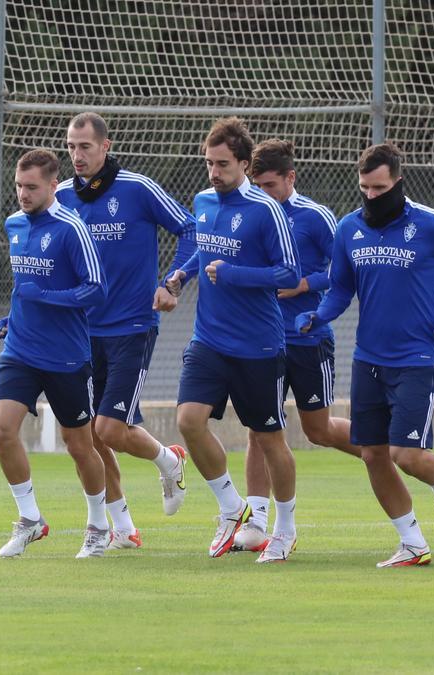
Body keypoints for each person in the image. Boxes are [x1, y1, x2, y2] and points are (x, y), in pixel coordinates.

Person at [296, 143, 434, 567]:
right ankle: (413, 543)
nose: (372, 196)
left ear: (398, 182)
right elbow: (341, 287)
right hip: (368, 359)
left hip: (418, 357)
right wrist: (318, 315)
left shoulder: (433, 225)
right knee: (372, 453)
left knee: (407, 454)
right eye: (365, 188)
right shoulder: (348, 228)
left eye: (380, 188)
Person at [164, 117, 301, 563]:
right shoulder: (203, 200)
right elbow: (208, 244)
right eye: (209, 163)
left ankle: (284, 529)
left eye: (222, 164)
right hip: (209, 339)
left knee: (269, 438)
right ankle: (231, 506)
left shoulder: (266, 210)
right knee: (188, 420)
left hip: (258, 345)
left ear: (243, 163)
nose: (213, 171)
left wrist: (235, 274)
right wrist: (182, 274)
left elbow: (289, 273)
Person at [55, 112, 193, 550]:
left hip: (132, 324)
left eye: (85, 147)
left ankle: (168, 458)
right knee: (91, 434)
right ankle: (123, 528)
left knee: (110, 429)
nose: (77, 155)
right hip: (81, 331)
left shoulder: (137, 188)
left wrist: (174, 280)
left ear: (106, 146)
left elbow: (189, 228)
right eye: (72, 147)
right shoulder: (59, 197)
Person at [231, 138, 360, 553]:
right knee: (259, 430)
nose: (262, 192)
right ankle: (257, 522)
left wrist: (303, 284)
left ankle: (384, 451)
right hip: (262, 340)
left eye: (270, 184)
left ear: (291, 178)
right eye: (257, 184)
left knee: (318, 430)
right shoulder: (247, 212)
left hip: (307, 338)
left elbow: (344, 271)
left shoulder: (315, 217)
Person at [0, 149, 110, 559]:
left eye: (32, 187)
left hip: (66, 358)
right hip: (20, 350)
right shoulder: (14, 225)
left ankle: (98, 525)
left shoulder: (71, 229)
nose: (23, 194)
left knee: (79, 445)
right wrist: (13, 315)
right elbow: (27, 284)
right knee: (1, 430)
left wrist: (48, 297)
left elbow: (96, 288)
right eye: (19, 186)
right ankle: (29, 519)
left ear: (52, 185)